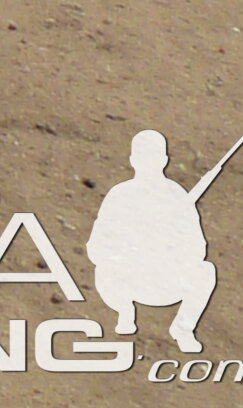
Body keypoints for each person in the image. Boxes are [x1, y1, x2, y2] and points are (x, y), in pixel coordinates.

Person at [87, 129, 221, 353]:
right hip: (128, 280)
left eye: (153, 156)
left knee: (205, 271)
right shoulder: (120, 195)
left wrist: (168, 245)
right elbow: (97, 246)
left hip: (166, 279)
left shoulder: (178, 197)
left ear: (164, 160)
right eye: (142, 156)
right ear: (133, 160)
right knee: (104, 270)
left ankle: (183, 329)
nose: (148, 162)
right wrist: (129, 248)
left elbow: (198, 247)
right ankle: (125, 312)